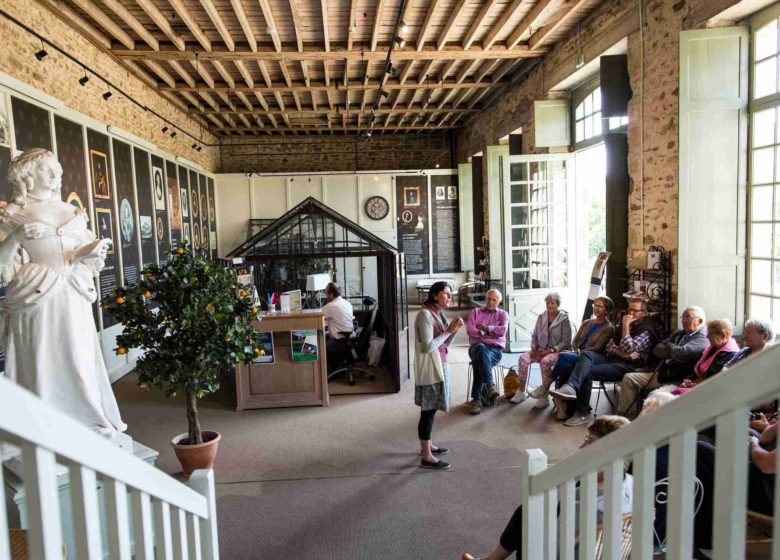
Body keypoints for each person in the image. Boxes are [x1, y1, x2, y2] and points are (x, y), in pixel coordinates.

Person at [0, 148, 125, 438]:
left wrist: (94, 252)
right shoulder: (14, 212)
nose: (57, 175)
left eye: (58, 168)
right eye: (48, 170)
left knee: (77, 352)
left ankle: (86, 415)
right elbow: (2, 261)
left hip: (72, 290)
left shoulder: (71, 211)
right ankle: (44, 423)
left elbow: (84, 249)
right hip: (37, 291)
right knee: (41, 353)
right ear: (28, 175)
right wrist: (16, 237)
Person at [460, 415, 632, 560]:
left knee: (528, 518)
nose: (581, 447)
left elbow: (559, 549)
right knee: (528, 511)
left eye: (590, 442)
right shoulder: (631, 484)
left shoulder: (586, 505)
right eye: (584, 440)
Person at [552, 298, 660, 427]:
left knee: (586, 372)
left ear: (644, 313)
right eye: (629, 309)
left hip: (628, 366)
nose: (631, 313)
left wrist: (625, 327)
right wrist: (624, 354)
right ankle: (570, 388)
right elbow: (610, 346)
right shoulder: (625, 324)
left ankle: (582, 412)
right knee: (587, 355)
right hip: (614, 359)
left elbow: (628, 347)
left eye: (635, 310)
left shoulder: (646, 330)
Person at [618, 306, 708, 418]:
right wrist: (673, 350)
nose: (683, 321)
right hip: (665, 373)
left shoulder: (703, 338)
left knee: (654, 396)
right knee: (629, 378)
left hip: (679, 378)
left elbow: (681, 353)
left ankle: (641, 426)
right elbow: (657, 349)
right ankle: (627, 417)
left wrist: (670, 345)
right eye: (682, 317)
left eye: (687, 318)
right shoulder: (680, 333)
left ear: (699, 321)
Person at [414, 281, 464, 469]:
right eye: (446, 294)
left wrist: (453, 331)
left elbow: (444, 344)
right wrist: (449, 331)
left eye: (451, 294)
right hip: (430, 366)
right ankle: (426, 455)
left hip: (441, 363)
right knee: (428, 410)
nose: (450, 297)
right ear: (435, 295)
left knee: (432, 407)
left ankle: (428, 445)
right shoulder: (425, 314)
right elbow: (428, 347)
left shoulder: (438, 313)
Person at [547, 296, 615, 420]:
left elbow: (597, 348)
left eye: (600, 306)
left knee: (562, 356)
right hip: (578, 354)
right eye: (595, 305)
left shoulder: (609, 328)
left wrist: (580, 352)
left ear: (607, 310)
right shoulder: (586, 323)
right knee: (567, 365)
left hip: (593, 357)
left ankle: (548, 385)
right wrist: (576, 350)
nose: (596, 308)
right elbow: (574, 342)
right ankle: (564, 404)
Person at [513, 292, 572, 407]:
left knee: (545, 362)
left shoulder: (564, 319)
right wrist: (534, 346)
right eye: (548, 303)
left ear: (558, 304)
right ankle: (521, 392)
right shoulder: (541, 316)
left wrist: (551, 350)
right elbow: (534, 334)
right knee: (523, 359)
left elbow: (566, 341)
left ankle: (544, 397)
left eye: (552, 303)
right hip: (540, 349)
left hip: (557, 351)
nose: (550, 305)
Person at [667, 318, 739, 395]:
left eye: (710, 333)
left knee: (672, 396)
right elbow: (699, 369)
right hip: (699, 385)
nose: (707, 336)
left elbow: (716, 382)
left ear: (722, 336)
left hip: (710, 393)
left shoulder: (731, 355)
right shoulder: (712, 348)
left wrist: (695, 385)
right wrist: (690, 379)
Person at [466, 288, 509, 415]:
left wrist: (482, 330)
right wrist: (490, 334)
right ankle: (490, 385)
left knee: (479, 362)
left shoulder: (503, 314)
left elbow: (502, 331)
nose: (490, 302)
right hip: (475, 348)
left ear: (499, 301)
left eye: (494, 300)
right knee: (480, 348)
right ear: (485, 299)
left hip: (495, 351)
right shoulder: (475, 312)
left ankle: (477, 400)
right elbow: (469, 330)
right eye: (488, 299)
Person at [322, 282, 354, 374]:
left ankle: (330, 371)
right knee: (327, 339)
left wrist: (327, 302)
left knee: (320, 347)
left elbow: (318, 317)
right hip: (350, 338)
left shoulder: (330, 306)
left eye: (326, 293)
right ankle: (336, 367)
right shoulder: (346, 303)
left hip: (340, 341)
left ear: (331, 294)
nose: (325, 296)